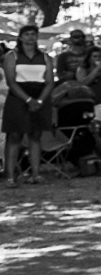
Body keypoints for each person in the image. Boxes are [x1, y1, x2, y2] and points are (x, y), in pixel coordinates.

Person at [3, 24, 55, 186]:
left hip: (40, 95)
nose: (30, 37)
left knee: (35, 135)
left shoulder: (45, 57)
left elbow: (49, 82)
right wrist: (28, 100)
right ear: (20, 37)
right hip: (19, 96)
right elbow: (11, 82)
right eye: (26, 34)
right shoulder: (12, 56)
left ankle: (36, 174)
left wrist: (39, 100)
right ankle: (10, 176)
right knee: (15, 135)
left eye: (33, 34)